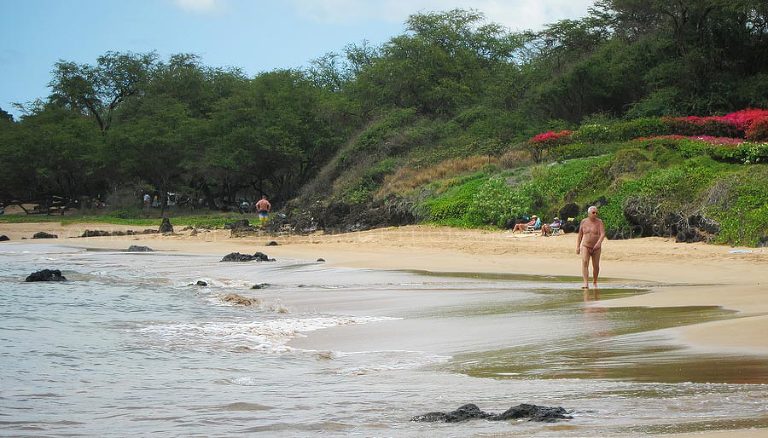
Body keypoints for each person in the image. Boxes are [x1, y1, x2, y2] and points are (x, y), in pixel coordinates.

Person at [576, 205, 606, 289]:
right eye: (593, 212)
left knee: (595, 265)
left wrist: (599, 243)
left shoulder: (599, 222)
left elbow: (603, 234)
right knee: (585, 262)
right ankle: (585, 283)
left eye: (596, 212)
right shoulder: (583, 222)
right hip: (585, 245)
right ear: (589, 213)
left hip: (596, 247)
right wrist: (578, 246)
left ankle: (595, 281)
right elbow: (580, 235)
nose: (595, 214)